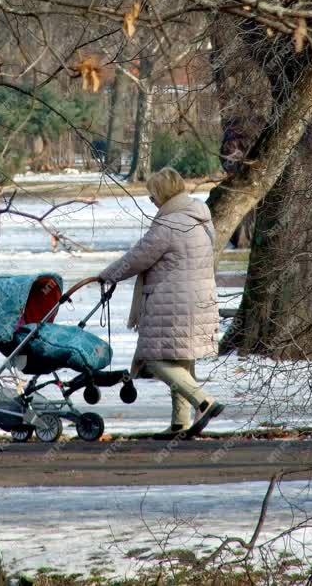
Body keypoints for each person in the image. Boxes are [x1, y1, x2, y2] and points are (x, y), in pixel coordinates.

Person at [98, 167, 223, 439]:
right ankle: (181, 423)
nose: (151, 200)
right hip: (199, 300)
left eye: (153, 195)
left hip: (173, 302)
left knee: (152, 358)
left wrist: (107, 275)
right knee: (181, 360)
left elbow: (138, 257)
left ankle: (203, 401)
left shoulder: (168, 225)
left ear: (163, 193)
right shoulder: (200, 218)